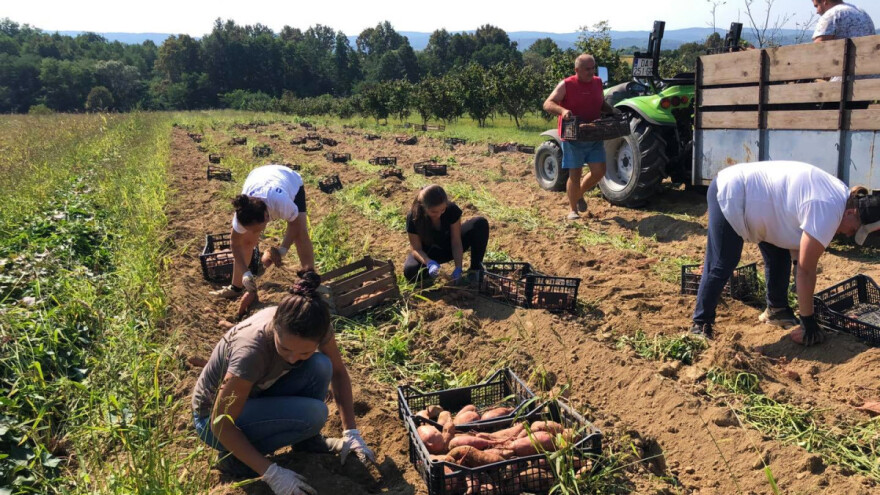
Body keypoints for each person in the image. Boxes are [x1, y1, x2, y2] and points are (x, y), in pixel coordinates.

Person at [192, 271, 376, 493]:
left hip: (253, 396)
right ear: (276, 326)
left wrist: (351, 433)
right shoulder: (251, 353)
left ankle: (308, 441)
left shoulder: (317, 324)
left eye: (303, 353)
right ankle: (235, 460)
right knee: (313, 414)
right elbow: (220, 422)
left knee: (320, 366)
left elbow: (337, 372)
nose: (292, 359)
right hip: (212, 420)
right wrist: (271, 473)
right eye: (285, 348)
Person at [690, 161, 880, 345]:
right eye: (854, 230)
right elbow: (806, 272)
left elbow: (798, 238)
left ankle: (777, 309)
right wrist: (808, 322)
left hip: (764, 205)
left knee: (779, 253)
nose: (848, 235)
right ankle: (700, 324)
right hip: (732, 193)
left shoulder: (842, 196)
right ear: (850, 213)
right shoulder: (829, 209)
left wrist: (798, 271)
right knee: (723, 262)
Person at [210, 164, 316, 301]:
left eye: (257, 229)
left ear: (267, 217)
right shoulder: (243, 213)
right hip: (258, 176)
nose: (256, 233)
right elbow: (236, 244)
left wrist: (283, 249)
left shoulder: (282, 203)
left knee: (301, 234)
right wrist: (245, 273)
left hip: (289, 179)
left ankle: (310, 280)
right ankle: (235, 288)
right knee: (247, 241)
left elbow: (294, 225)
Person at [543, 53, 621, 221]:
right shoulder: (567, 84)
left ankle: (579, 194)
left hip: (593, 133)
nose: (591, 72)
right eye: (587, 69)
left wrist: (612, 111)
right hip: (573, 136)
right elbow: (548, 103)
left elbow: (600, 104)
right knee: (575, 174)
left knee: (599, 171)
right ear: (576, 70)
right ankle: (573, 210)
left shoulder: (598, 83)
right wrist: (563, 111)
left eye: (593, 68)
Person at [404, 185, 489, 284]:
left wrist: (458, 267)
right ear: (424, 208)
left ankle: (475, 270)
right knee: (410, 271)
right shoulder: (414, 217)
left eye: (442, 210)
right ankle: (429, 275)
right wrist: (429, 262)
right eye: (434, 212)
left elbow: (456, 241)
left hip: (448, 247)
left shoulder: (451, 210)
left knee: (479, 223)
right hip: (429, 252)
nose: (439, 214)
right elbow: (416, 249)